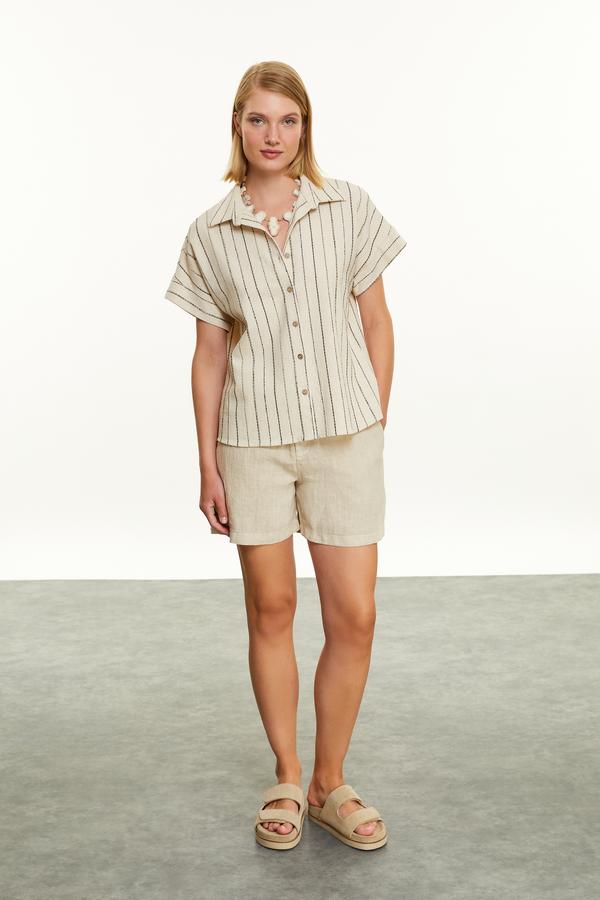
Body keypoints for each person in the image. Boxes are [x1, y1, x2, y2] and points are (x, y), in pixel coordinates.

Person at [164, 60, 407, 851]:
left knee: (355, 614)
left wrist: (374, 415)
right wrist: (207, 465)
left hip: (345, 438)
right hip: (252, 444)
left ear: (306, 127)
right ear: (237, 127)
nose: (273, 135)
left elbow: (377, 320)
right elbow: (209, 355)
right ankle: (288, 774)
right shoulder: (210, 232)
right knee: (271, 610)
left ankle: (331, 782)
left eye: (288, 120)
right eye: (258, 120)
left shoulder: (349, 207)